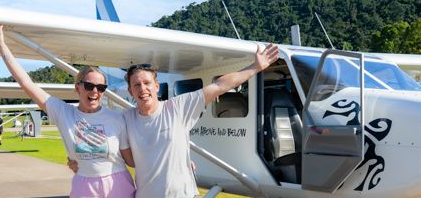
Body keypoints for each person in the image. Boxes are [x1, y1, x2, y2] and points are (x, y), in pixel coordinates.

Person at [72, 43, 280, 197]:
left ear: (156, 86)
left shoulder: (178, 107)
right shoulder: (125, 118)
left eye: (147, 83)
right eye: (136, 85)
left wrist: (255, 67)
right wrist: (78, 160)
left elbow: (219, 86)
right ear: (130, 91)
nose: (142, 89)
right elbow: (97, 131)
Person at [0, 21, 136, 198]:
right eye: (89, 85)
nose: (95, 91)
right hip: (84, 185)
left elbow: (132, 160)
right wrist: (1, 47)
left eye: (101, 88)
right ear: (78, 87)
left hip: (117, 184)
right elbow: (27, 84)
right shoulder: (63, 112)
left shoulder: (117, 118)